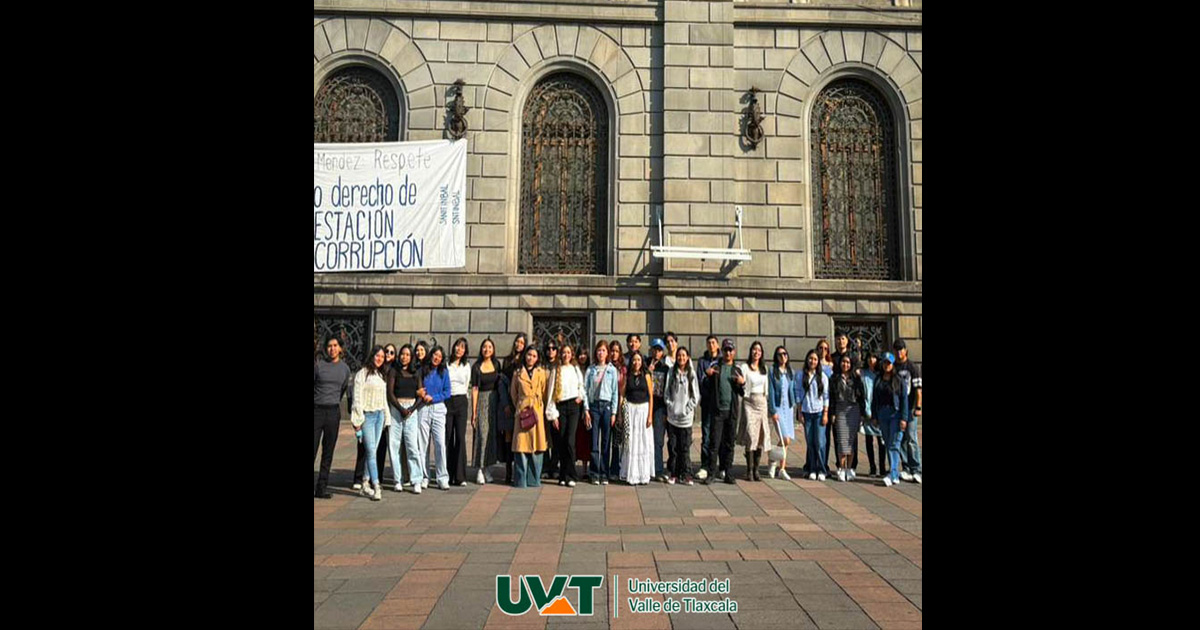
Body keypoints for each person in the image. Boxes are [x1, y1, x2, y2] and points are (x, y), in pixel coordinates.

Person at [544, 344, 587, 486]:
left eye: (568, 352)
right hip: (560, 406)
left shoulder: (575, 369)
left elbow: (581, 386)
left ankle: (571, 475)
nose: (566, 355)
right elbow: (550, 393)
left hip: (573, 407)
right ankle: (562, 475)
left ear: (572, 354)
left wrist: (580, 396)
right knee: (561, 441)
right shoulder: (556, 370)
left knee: (570, 440)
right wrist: (553, 414)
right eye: (563, 352)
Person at [314, 336, 351, 499]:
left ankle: (321, 488)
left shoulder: (345, 369)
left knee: (328, 452)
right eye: (329, 346)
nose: (332, 349)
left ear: (340, 349)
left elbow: (342, 389)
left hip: (333, 412)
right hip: (317, 411)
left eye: (335, 346)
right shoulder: (319, 366)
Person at [351, 346, 390, 501]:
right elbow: (357, 398)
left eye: (382, 356)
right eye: (377, 355)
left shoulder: (381, 375)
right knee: (371, 451)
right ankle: (376, 485)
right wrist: (357, 421)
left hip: (379, 415)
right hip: (367, 416)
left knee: (371, 451)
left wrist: (386, 417)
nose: (380, 358)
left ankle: (365, 482)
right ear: (372, 356)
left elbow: (384, 398)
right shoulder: (362, 374)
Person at [702, 339, 741, 485]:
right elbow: (705, 386)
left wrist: (742, 383)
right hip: (717, 412)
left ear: (734, 352)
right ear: (722, 351)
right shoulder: (716, 367)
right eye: (725, 350)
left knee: (729, 444)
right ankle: (711, 473)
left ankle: (728, 473)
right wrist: (708, 375)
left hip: (731, 412)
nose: (728, 353)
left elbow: (742, 392)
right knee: (714, 443)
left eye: (730, 350)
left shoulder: (736, 370)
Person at [386, 344, 425, 494]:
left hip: (411, 410)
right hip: (397, 409)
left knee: (411, 446)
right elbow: (390, 393)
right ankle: (398, 479)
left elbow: (420, 396)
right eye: (402, 354)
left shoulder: (416, 373)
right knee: (394, 445)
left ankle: (416, 479)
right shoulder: (394, 371)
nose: (404, 357)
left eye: (408, 355)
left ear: (411, 357)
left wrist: (411, 409)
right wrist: (401, 409)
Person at [510, 345, 549, 488]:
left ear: (537, 358)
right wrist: (520, 405)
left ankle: (534, 479)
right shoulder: (518, 373)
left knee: (537, 445)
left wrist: (539, 406)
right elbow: (513, 393)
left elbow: (544, 392)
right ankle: (520, 480)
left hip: (536, 411)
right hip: (522, 411)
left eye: (533, 356)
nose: (530, 358)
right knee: (521, 445)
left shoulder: (541, 373)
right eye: (528, 355)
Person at [584, 341, 620, 485]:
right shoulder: (590, 370)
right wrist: (586, 409)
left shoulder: (612, 370)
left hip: (606, 408)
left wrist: (614, 412)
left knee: (606, 442)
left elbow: (615, 392)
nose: (601, 353)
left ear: (607, 353)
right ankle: (594, 473)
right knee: (594, 442)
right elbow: (585, 391)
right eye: (599, 350)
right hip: (594, 407)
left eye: (604, 350)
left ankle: (604, 473)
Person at [872, 352, 909, 488]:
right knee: (888, 443)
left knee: (894, 444)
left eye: (889, 363)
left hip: (896, 414)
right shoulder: (878, 379)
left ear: (892, 364)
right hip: (883, 414)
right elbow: (874, 399)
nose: (886, 365)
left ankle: (893, 473)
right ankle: (894, 473)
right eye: (884, 363)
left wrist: (904, 418)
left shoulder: (899, 380)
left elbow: (904, 400)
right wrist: (875, 416)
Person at [665, 346, 700, 486]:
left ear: (688, 358)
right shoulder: (671, 372)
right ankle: (673, 473)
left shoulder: (691, 374)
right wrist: (671, 406)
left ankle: (686, 474)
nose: (681, 358)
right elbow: (666, 393)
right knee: (673, 447)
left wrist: (688, 409)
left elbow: (695, 396)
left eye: (684, 355)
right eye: (679, 355)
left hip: (686, 419)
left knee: (684, 448)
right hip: (672, 418)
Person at [736, 341, 771, 481]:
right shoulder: (745, 367)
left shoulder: (764, 369)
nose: (756, 352)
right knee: (751, 434)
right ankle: (749, 469)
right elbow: (741, 382)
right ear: (751, 351)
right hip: (749, 402)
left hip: (761, 402)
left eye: (759, 350)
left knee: (760, 435)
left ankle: (756, 469)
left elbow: (766, 388)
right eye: (754, 350)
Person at [418, 345, 452, 491]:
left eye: (439, 356)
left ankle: (442, 477)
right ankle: (424, 476)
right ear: (430, 355)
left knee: (439, 443)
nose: (436, 358)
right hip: (423, 408)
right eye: (434, 355)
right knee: (423, 444)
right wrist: (422, 395)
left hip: (438, 408)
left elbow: (447, 392)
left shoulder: (443, 372)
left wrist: (434, 398)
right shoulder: (423, 370)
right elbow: (418, 386)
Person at [620, 352, 654, 485]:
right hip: (631, 410)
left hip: (643, 410)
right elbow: (622, 395)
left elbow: (651, 396)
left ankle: (643, 474)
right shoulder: (627, 376)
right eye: (634, 360)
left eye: (639, 360)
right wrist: (620, 414)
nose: (636, 362)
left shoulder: (646, 375)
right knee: (631, 442)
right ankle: (631, 474)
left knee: (643, 442)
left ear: (642, 362)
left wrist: (650, 415)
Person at [829, 354, 865, 482]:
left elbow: (862, 396)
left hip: (853, 409)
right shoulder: (834, 378)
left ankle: (849, 468)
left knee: (851, 440)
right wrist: (832, 413)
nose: (845, 365)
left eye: (848, 362)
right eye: (843, 362)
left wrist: (862, 413)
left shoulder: (856, 378)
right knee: (841, 440)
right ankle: (841, 468)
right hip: (840, 409)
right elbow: (832, 398)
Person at [471, 338, 501, 485]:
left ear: (493, 349)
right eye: (484, 347)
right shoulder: (476, 367)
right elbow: (475, 389)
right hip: (482, 401)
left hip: (494, 402)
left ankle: (488, 467)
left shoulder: (496, 364)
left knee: (491, 436)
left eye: (490, 347)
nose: (487, 349)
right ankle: (479, 468)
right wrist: (474, 412)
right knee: (482, 435)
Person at [797, 348, 830, 481]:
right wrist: (799, 413)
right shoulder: (800, 375)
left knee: (820, 442)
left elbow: (826, 396)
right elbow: (798, 395)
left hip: (819, 412)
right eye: (810, 358)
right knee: (810, 442)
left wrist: (826, 413)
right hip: (807, 412)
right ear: (807, 360)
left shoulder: (822, 377)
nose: (813, 361)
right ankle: (811, 468)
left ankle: (821, 469)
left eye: (815, 359)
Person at [892, 340, 923, 484]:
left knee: (911, 439)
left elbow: (918, 389)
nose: (899, 352)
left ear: (906, 350)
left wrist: (918, 407)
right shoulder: (893, 367)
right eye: (896, 350)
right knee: (902, 438)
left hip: (910, 408)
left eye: (901, 349)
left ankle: (916, 468)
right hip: (897, 408)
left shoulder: (912, 367)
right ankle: (906, 467)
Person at [498, 333, 527, 484]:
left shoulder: (526, 360)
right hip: (509, 405)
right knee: (508, 438)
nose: (519, 344)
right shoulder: (507, 361)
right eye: (518, 341)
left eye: (522, 342)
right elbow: (502, 382)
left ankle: (520, 471)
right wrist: (506, 404)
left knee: (521, 438)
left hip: (521, 405)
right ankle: (508, 472)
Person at [445, 337, 473, 487]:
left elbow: (467, 384)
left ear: (465, 351)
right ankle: (447, 475)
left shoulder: (466, 366)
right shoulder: (446, 365)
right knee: (448, 437)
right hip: (448, 401)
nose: (459, 349)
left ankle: (460, 476)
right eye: (457, 346)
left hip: (461, 401)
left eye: (462, 347)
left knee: (461, 437)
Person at [766, 345, 796, 480]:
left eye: (784, 354)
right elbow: (771, 392)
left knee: (787, 442)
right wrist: (772, 410)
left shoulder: (790, 372)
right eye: (779, 354)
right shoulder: (772, 371)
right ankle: (773, 460)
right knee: (785, 439)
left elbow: (793, 389)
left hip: (788, 408)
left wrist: (795, 404)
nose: (783, 356)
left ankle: (781, 468)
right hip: (778, 408)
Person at [696, 335, 721, 481]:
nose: (711, 345)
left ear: (717, 345)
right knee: (706, 435)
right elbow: (700, 380)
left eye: (713, 343)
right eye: (709, 343)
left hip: (719, 404)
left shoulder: (722, 360)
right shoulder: (702, 361)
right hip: (707, 403)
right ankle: (705, 465)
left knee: (719, 436)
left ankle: (718, 466)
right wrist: (707, 374)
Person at [858, 352, 886, 478]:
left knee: (881, 441)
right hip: (867, 410)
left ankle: (882, 467)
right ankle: (872, 467)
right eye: (869, 357)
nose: (871, 360)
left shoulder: (881, 375)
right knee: (868, 439)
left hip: (879, 411)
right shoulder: (863, 374)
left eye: (874, 357)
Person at [647, 339, 670, 482]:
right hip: (646, 404)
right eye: (654, 350)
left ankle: (658, 469)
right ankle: (646, 468)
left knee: (658, 439)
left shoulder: (666, 368)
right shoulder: (645, 364)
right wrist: (648, 371)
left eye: (659, 350)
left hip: (660, 407)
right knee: (645, 439)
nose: (657, 352)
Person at [608, 340, 627, 483]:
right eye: (612, 351)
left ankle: (616, 468)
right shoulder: (606, 367)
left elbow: (623, 389)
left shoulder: (623, 369)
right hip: (606, 405)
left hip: (620, 406)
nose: (614, 353)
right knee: (605, 439)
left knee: (617, 440)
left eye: (616, 351)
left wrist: (619, 410)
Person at [541, 341, 561, 480]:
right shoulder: (542, 366)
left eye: (554, 348)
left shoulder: (559, 366)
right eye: (548, 348)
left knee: (556, 438)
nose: (551, 351)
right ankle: (545, 466)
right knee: (544, 437)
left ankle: (554, 466)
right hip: (542, 405)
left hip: (556, 406)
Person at [816, 338, 835, 475]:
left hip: (829, 402)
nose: (823, 350)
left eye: (825, 348)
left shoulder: (831, 365)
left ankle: (825, 462)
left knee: (827, 437)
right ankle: (817, 463)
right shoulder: (815, 364)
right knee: (818, 437)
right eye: (821, 348)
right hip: (817, 403)